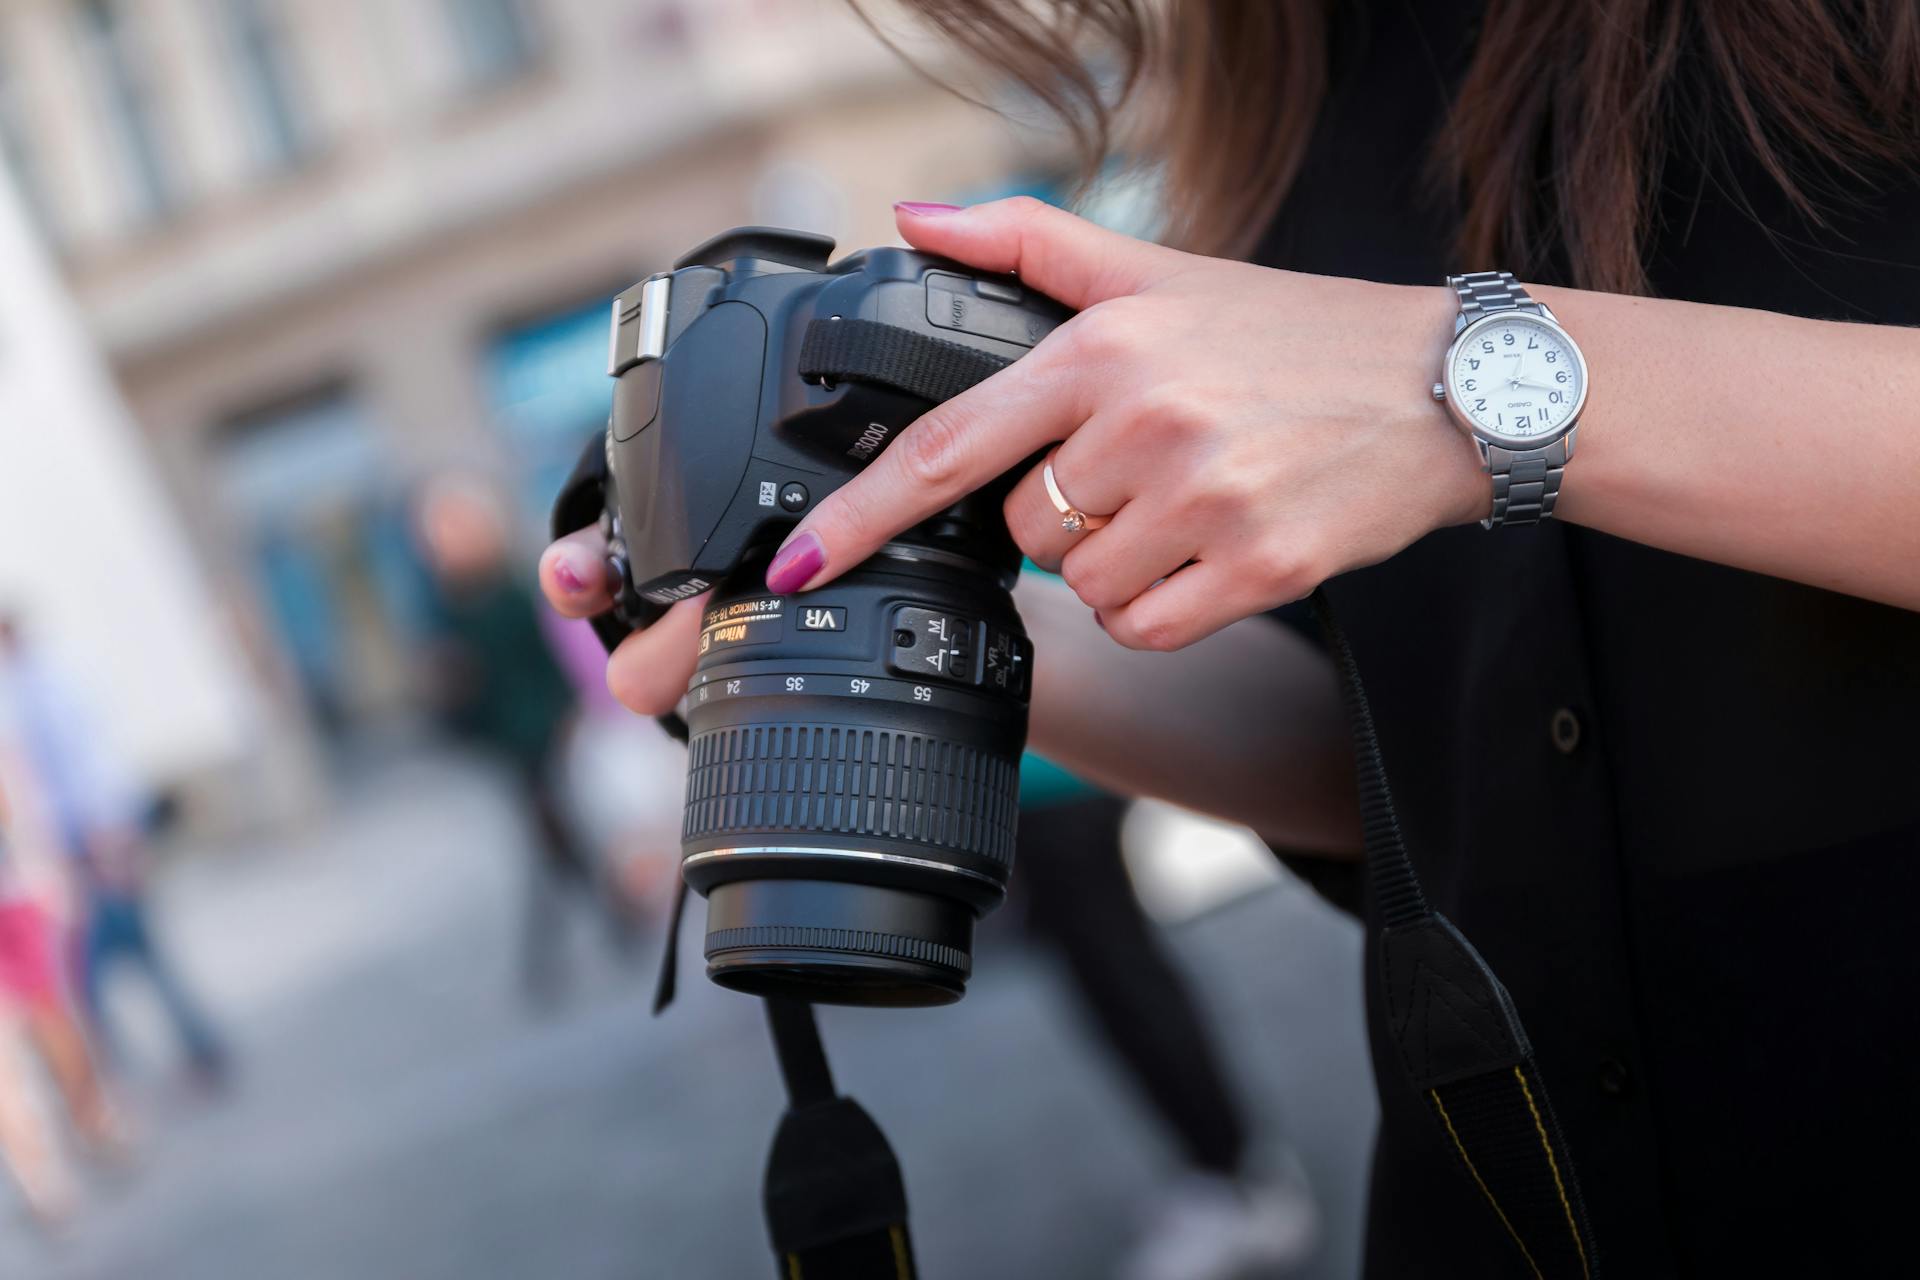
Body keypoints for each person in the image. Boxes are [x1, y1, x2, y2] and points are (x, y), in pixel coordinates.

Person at [540, 3, 1920, 1272]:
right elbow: (1398, 756)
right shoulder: (1288, 67)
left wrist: (1461, 390)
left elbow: (1430, 411)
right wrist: (910, 596)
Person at [1013, 757, 1317, 1280]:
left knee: (1117, 971)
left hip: (1046, 770)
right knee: (1109, 966)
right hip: (1040, 767)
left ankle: (1237, 1181)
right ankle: (1230, 1172)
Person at [412, 475, 638, 1004]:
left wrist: (569, 711)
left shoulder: (511, 585)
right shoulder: (444, 603)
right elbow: (451, 681)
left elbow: (549, 654)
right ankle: (614, 919)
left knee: (551, 840)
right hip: (505, 743)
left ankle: (550, 958)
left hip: (543, 730)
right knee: (555, 841)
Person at [0, 615, 228, 1088]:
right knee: (124, 956)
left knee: (103, 962)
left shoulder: (39, 690)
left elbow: (78, 771)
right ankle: (173, 1056)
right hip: (98, 831)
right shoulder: (53, 677)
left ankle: (148, 1065)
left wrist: (104, 839)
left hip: (92, 836)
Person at [0, 776, 121, 1227]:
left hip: (13, 899)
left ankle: (53, 1169)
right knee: (26, 1047)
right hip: (14, 896)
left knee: (46, 1030)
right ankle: (62, 1157)